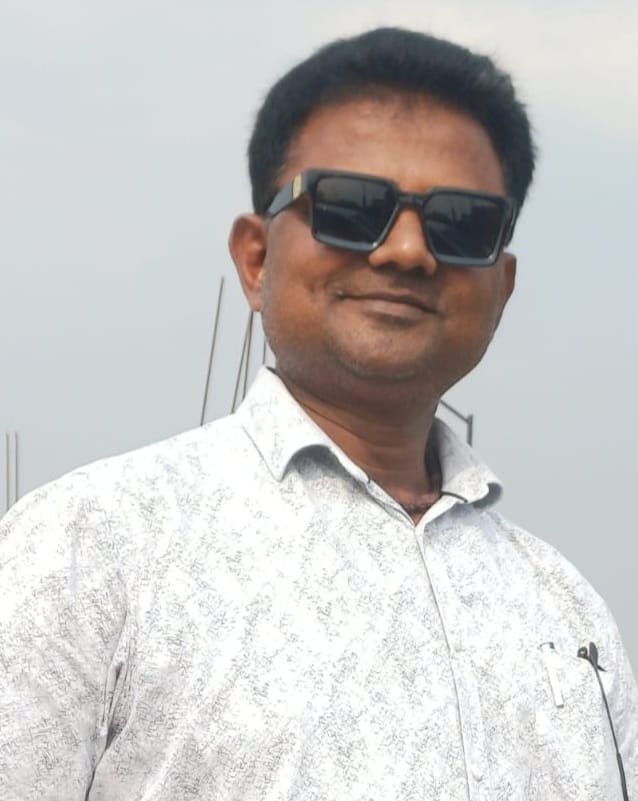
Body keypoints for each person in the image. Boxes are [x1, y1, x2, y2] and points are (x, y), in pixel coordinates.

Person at [0, 27, 636, 801]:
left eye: (461, 222)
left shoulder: (567, 614)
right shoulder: (89, 548)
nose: (407, 251)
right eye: (351, 206)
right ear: (256, 257)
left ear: (501, 288)